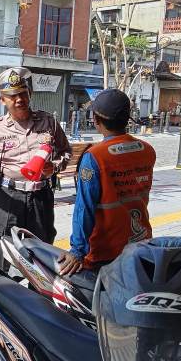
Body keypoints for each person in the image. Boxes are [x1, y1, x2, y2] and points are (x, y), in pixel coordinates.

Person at [0, 67, 72, 271]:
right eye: (12, 96)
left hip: (40, 196)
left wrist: (55, 166)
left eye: (23, 94)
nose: (19, 99)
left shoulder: (48, 121)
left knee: (43, 251)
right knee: (3, 248)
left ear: (29, 94)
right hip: (9, 197)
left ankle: (40, 297)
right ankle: (4, 293)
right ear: (2, 100)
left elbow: (65, 151)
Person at [57, 89, 157, 275]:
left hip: (105, 253)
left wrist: (77, 251)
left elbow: (84, 208)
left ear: (95, 120)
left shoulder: (95, 157)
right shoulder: (147, 150)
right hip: (141, 243)